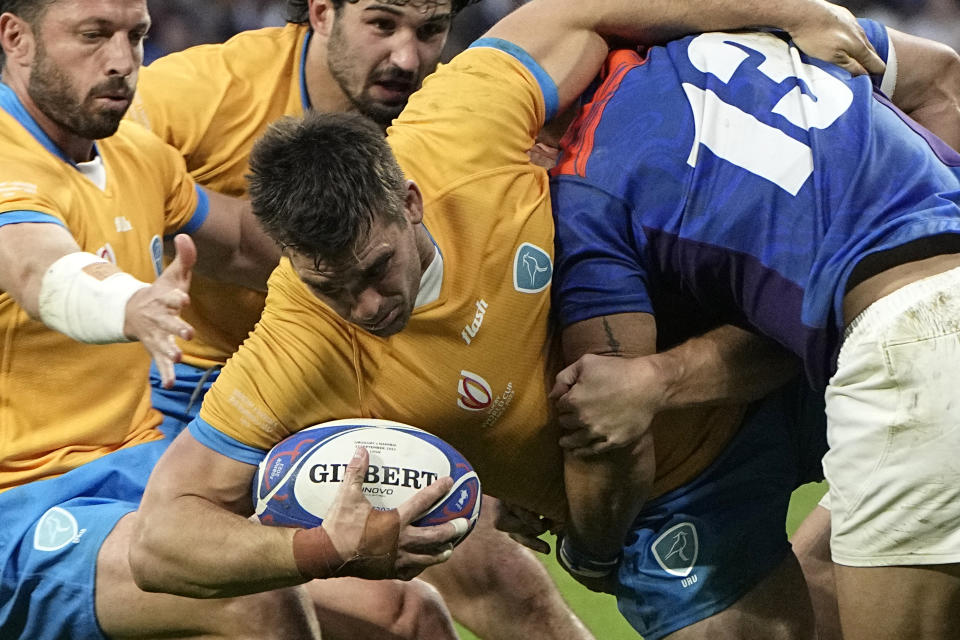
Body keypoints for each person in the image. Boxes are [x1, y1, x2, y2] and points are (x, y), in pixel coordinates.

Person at [127, 0, 882, 630]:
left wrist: (792, 14)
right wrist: (323, 550)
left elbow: (580, 10)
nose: (364, 307)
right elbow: (160, 539)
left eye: (377, 269)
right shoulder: (301, 346)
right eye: (330, 286)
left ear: (411, 201)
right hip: (666, 503)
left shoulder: (458, 127)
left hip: (764, 350)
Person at [126, 1, 595, 636]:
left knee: (506, 588)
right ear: (322, 12)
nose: (408, 57)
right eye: (382, 25)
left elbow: (592, 11)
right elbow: (70, 153)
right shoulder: (203, 90)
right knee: (387, 614)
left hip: (353, 388)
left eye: (429, 31)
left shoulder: (447, 117)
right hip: (199, 384)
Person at [0, 1, 464, 638]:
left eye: (135, 36)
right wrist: (128, 303)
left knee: (406, 616)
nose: (121, 61)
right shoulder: (7, 158)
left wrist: (416, 250)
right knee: (258, 606)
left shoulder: (136, 155)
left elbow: (253, 245)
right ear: (15, 37)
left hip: (140, 471)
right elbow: (39, 269)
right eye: (92, 36)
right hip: (25, 504)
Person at [548, 16, 960, 640]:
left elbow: (612, 413)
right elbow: (943, 77)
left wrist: (591, 547)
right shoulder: (755, 38)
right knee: (822, 576)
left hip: (909, 343)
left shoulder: (585, 184)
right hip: (920, 320)